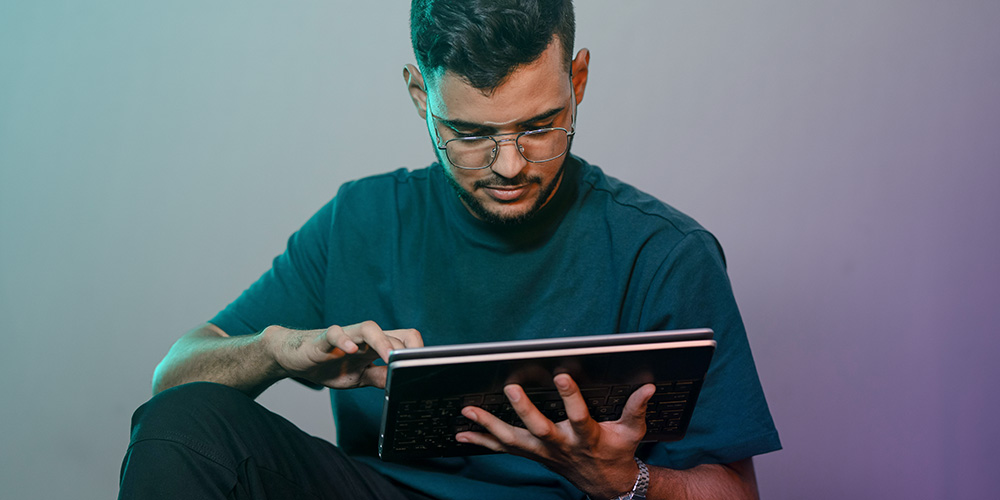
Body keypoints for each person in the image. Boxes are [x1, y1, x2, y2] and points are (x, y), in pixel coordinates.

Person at [118, 1, 781, 499]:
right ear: (419, 95)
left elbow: (734, 493)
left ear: (578, 79)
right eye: (468, 133)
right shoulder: (362, 220)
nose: (510, 165)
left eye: (540, 125)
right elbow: (171, 380)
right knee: (185, 422)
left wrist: (624, 478)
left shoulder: (664, 253)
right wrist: (275, 351)